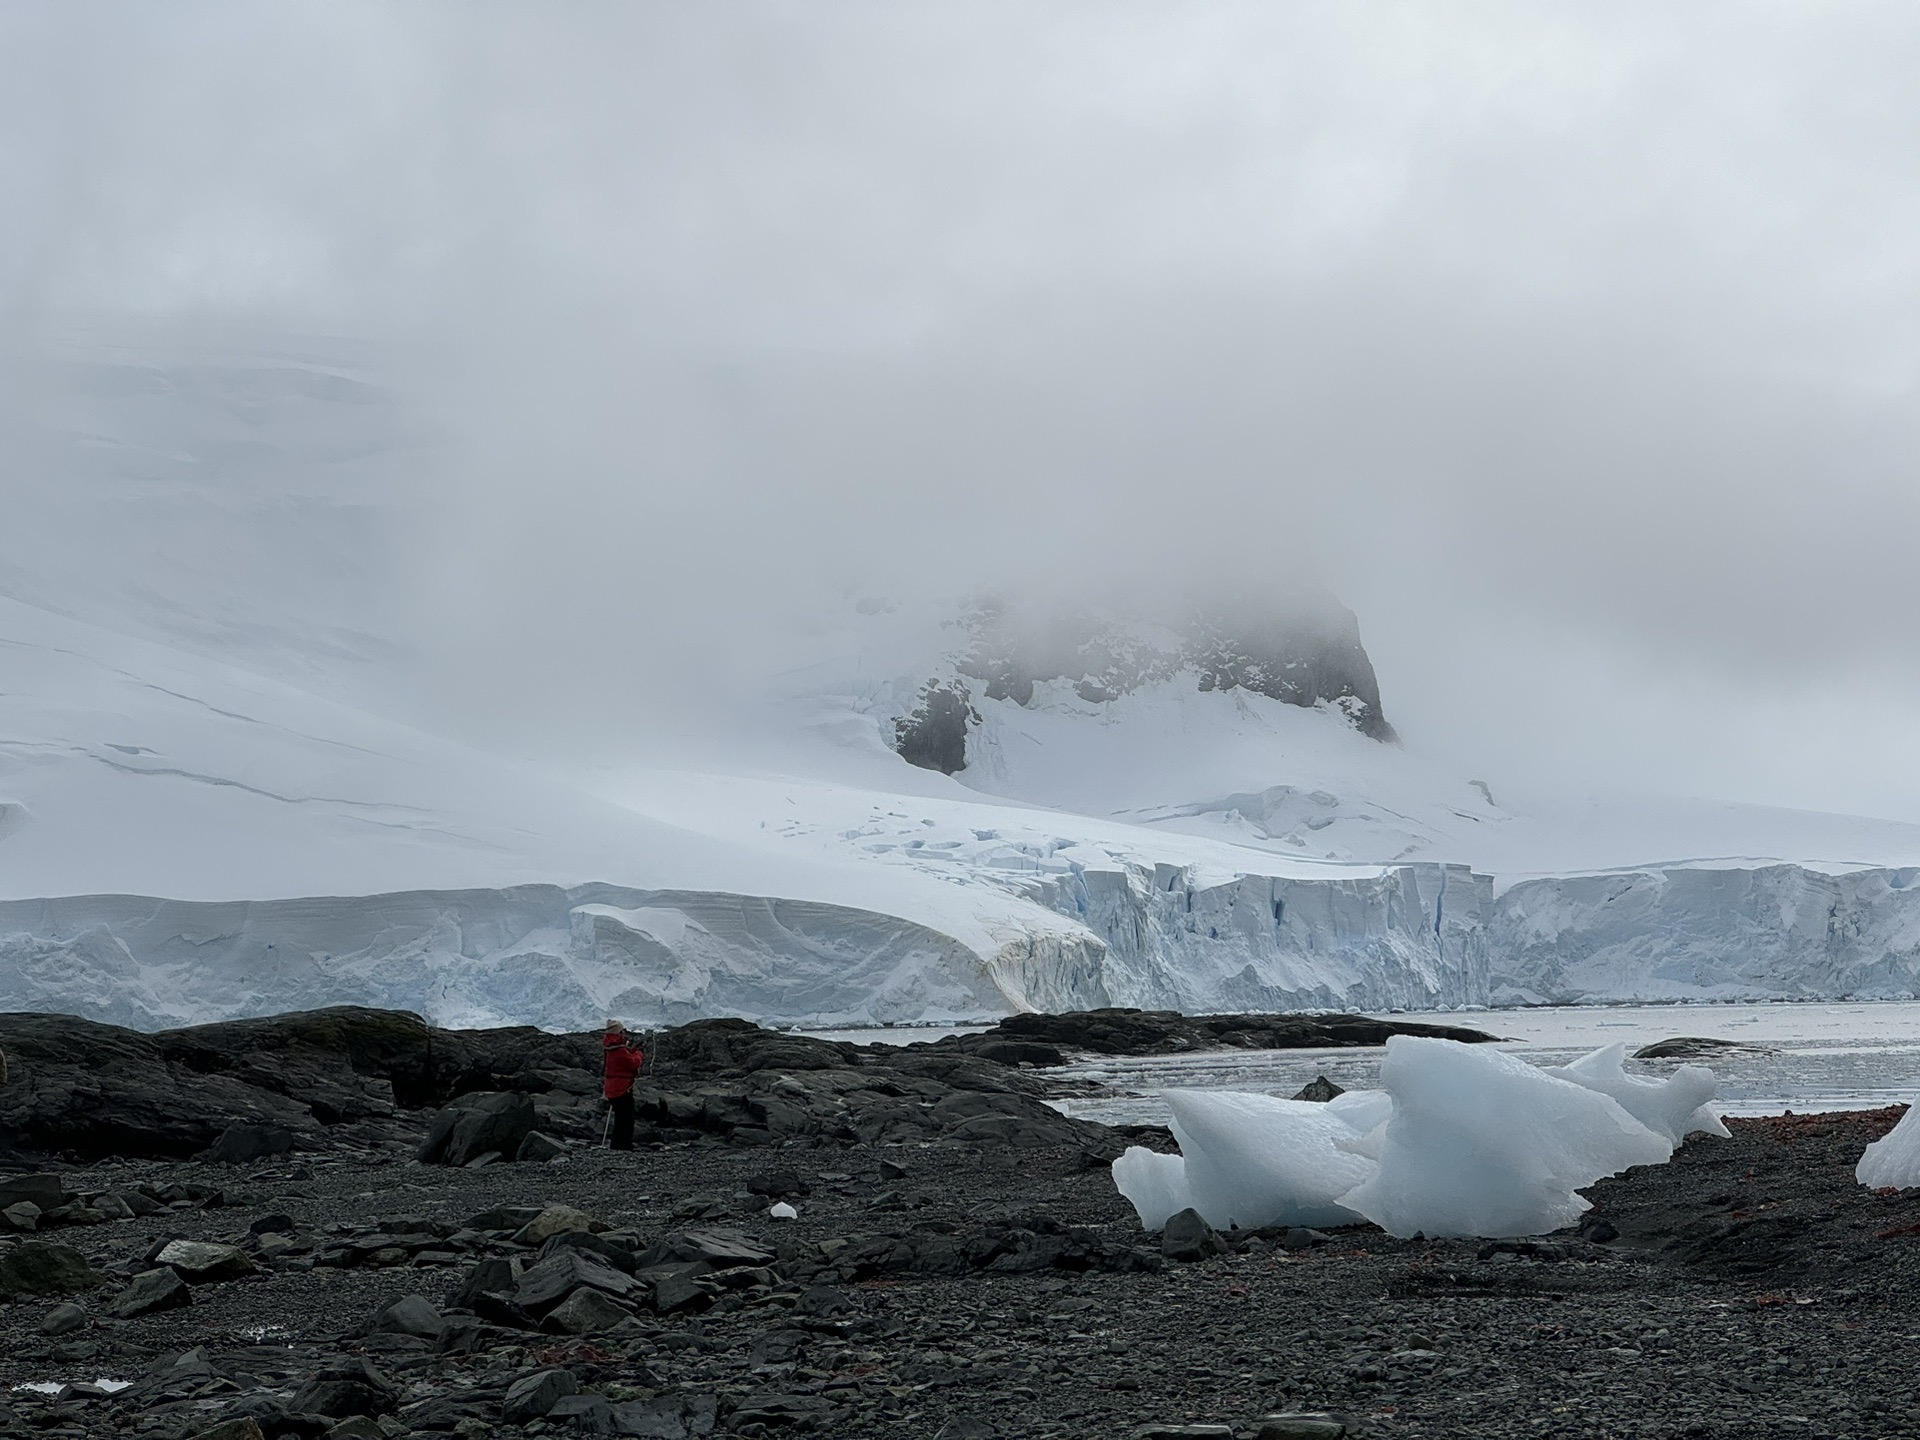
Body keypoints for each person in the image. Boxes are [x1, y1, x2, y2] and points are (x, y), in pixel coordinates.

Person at [602, 1020, 645, 1151]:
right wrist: (639, 1053)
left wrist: (632, 1050)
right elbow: (633, 1063)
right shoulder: (618, 1049)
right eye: (622, 1031)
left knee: (621, 1119)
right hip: (621, 1089)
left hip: (613, 1088)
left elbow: (623, 1059)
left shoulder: (612, 1047)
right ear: (618, 1032)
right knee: (626, 1120)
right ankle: (623, 1147)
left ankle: (617, 1146)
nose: (624, 1033)